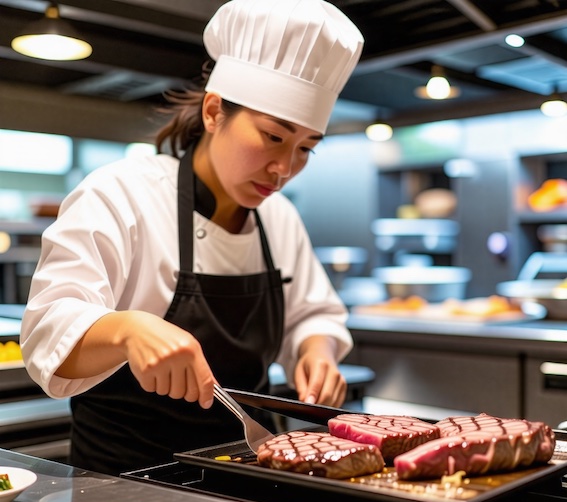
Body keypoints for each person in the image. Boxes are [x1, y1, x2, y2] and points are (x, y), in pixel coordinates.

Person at [20, 0, 364, 476]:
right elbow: (46, 335)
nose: (285, 169)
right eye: (272, 137)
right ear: (213, 110)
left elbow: (313, 314)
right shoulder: (121, 193)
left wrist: (316, 351)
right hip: (124, 483)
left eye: (306, 148)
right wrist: (127, 329)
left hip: (251, 474)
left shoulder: (278, 217)